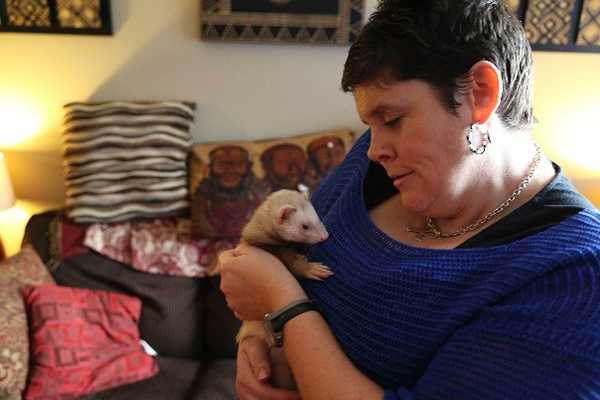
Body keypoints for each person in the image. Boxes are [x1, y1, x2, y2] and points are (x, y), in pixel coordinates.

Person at [217, 0, 600, 399]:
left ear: (479, 94)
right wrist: (254, 341)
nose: (373, 148)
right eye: (371, 124)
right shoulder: (378, 166)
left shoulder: (576, 278)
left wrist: (284, 304)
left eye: (393, 120)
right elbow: (279, 260)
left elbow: (276, 285)